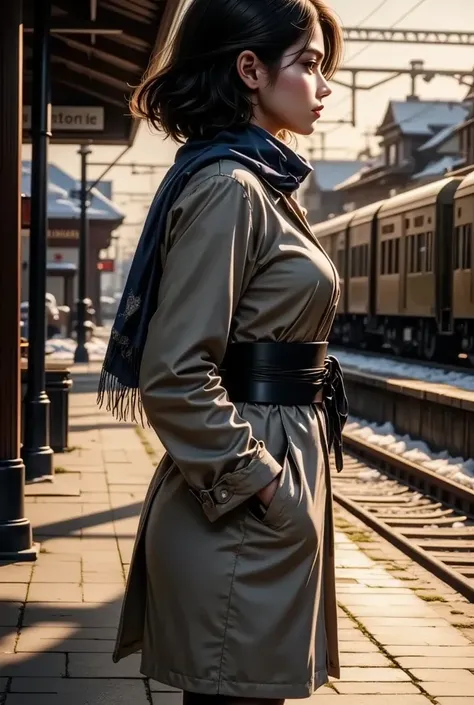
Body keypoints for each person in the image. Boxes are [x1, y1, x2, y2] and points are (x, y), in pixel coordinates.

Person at [98, 0, 347, 703]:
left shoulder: (255, 181)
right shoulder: (229, 187)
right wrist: (267, 486)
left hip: (247, 509)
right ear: (249, 69)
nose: (323, 86)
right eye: (308, 64)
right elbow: (174, 373)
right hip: (239, 513)